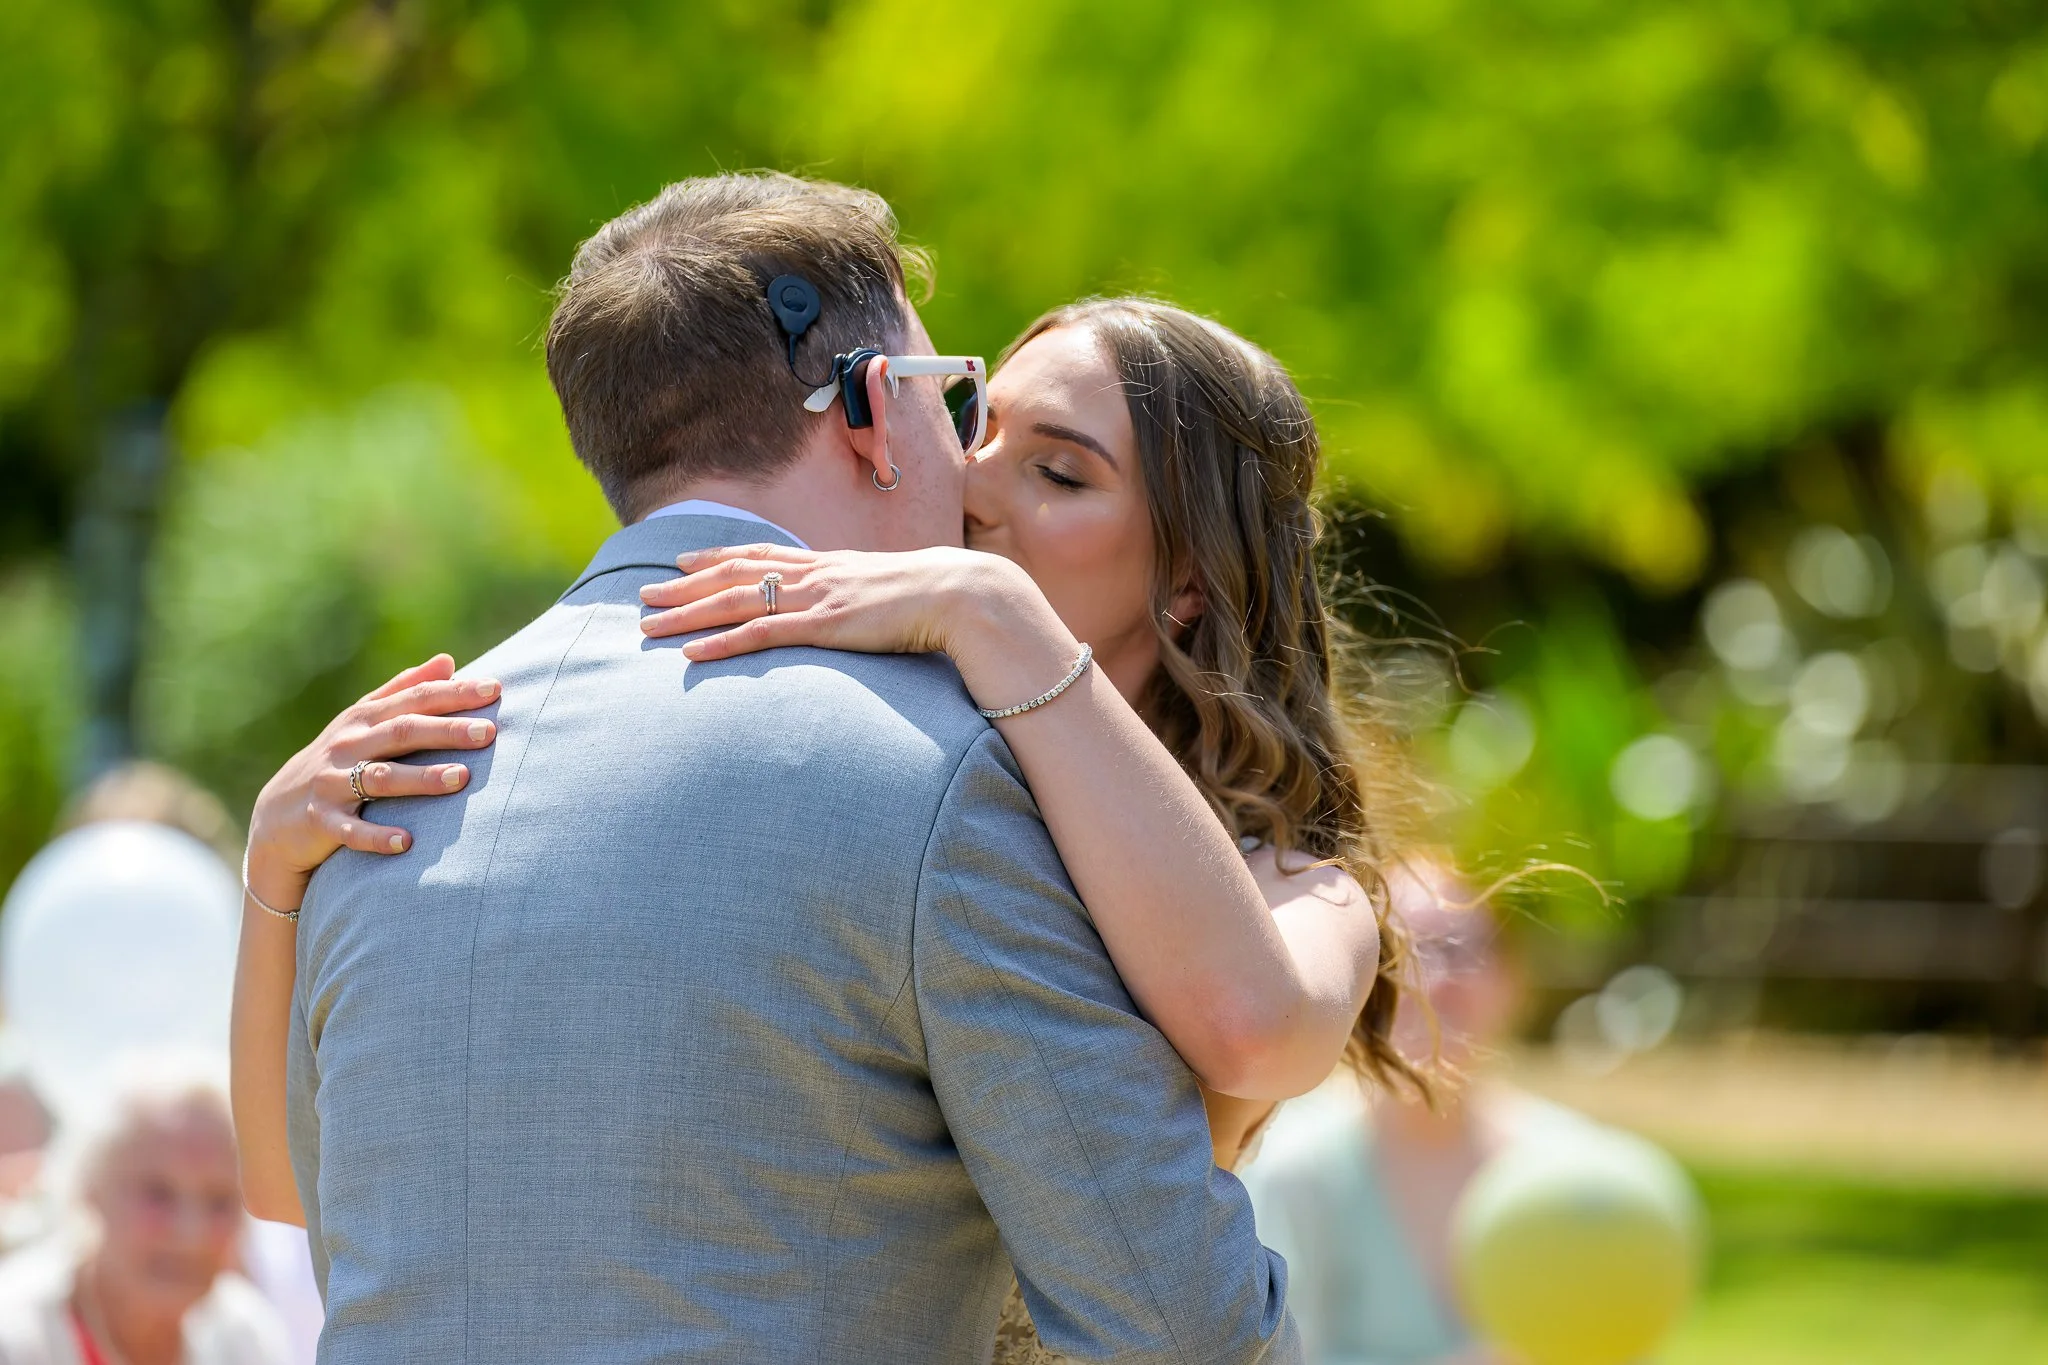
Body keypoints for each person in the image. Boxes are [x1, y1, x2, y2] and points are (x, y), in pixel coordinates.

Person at [230, 173, 1312, 1362]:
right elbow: (1178, 1326)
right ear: (866, 411)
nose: (969, 472)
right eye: (953, 404)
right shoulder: (943, 773)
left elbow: (313, 1214)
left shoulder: (376, 775)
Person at [1240, 858, 1604, 1365]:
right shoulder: (1297, 1170)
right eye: (1404, 953)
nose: (1435, 983)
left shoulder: (1575, 1167)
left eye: (1459, 950)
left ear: (1511, 981)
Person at [0, 1063, 287, 1365]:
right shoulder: (15, 1335)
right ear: (91, 1189)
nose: (191, 1233)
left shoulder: (245, 1337)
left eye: (220, 1201)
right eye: (157, 1193)